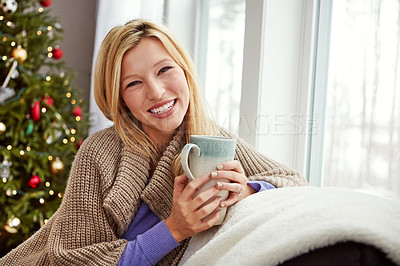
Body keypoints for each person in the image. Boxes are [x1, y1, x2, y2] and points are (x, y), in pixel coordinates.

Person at [0, 19, 308, 265]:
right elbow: (72, 258)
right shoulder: (99, 153)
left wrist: (246, 191)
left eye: (165, 70)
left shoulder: (214, 139)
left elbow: (293, 183)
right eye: (134, 83)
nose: (157, 92)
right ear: (119, 98)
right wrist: (174, 229)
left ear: (185, 71)